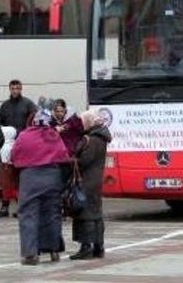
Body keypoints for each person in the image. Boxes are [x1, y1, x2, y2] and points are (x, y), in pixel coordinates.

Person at [11, 112, 69, 265]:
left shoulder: (24, 136)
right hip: (52, 177)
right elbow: (64, 155)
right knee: (52, 213)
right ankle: (53, 250)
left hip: (30, 178)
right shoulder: (53, 135)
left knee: (28, 214)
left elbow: (13, 155)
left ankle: (31, 254)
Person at [69, 109, 113, 260]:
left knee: (85, 214)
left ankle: (85, 247)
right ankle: (98, 247)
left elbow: (84, 161)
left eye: (83, 121)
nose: (82, 124)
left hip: (86, 181)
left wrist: (71, 159)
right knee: (96, 214)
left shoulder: (91, 140)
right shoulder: (101, 138)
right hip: (96, 181)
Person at [0, 125, 18, 218]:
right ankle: (18, 207)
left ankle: (5, 208)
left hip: (6, 167)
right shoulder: (15, 143)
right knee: (14, 188)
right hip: (13, 167)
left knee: (7, 188)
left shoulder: (4, 145)